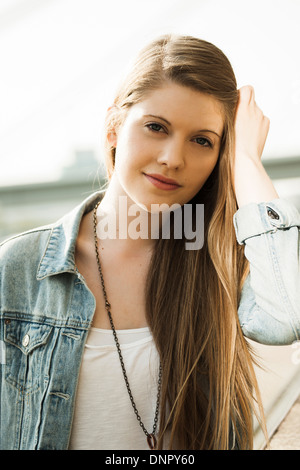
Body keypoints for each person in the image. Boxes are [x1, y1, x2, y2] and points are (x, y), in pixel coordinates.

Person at [0, 34, 300, 451]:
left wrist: (247, 161)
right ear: (113, 129)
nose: (173, 158)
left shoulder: (220, 263)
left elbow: (288, 316)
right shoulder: (20, 268)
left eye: (202, 141)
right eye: (156, 127)